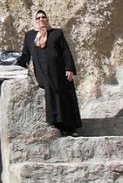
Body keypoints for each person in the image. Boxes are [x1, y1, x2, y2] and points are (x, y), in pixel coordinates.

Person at [19, 9, 82, 137]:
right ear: (34, 20)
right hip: (43, 73)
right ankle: (56, 124)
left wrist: (69, 68)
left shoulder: (56, 33)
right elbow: (26, 54)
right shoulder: (30, 36)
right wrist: (17, 66)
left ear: (47, 19)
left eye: (43, 17)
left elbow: (65, 52)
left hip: (60, 72)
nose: (41, 20)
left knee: (65, 95)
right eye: (38, 18)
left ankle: (70, 127)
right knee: (51, 93)